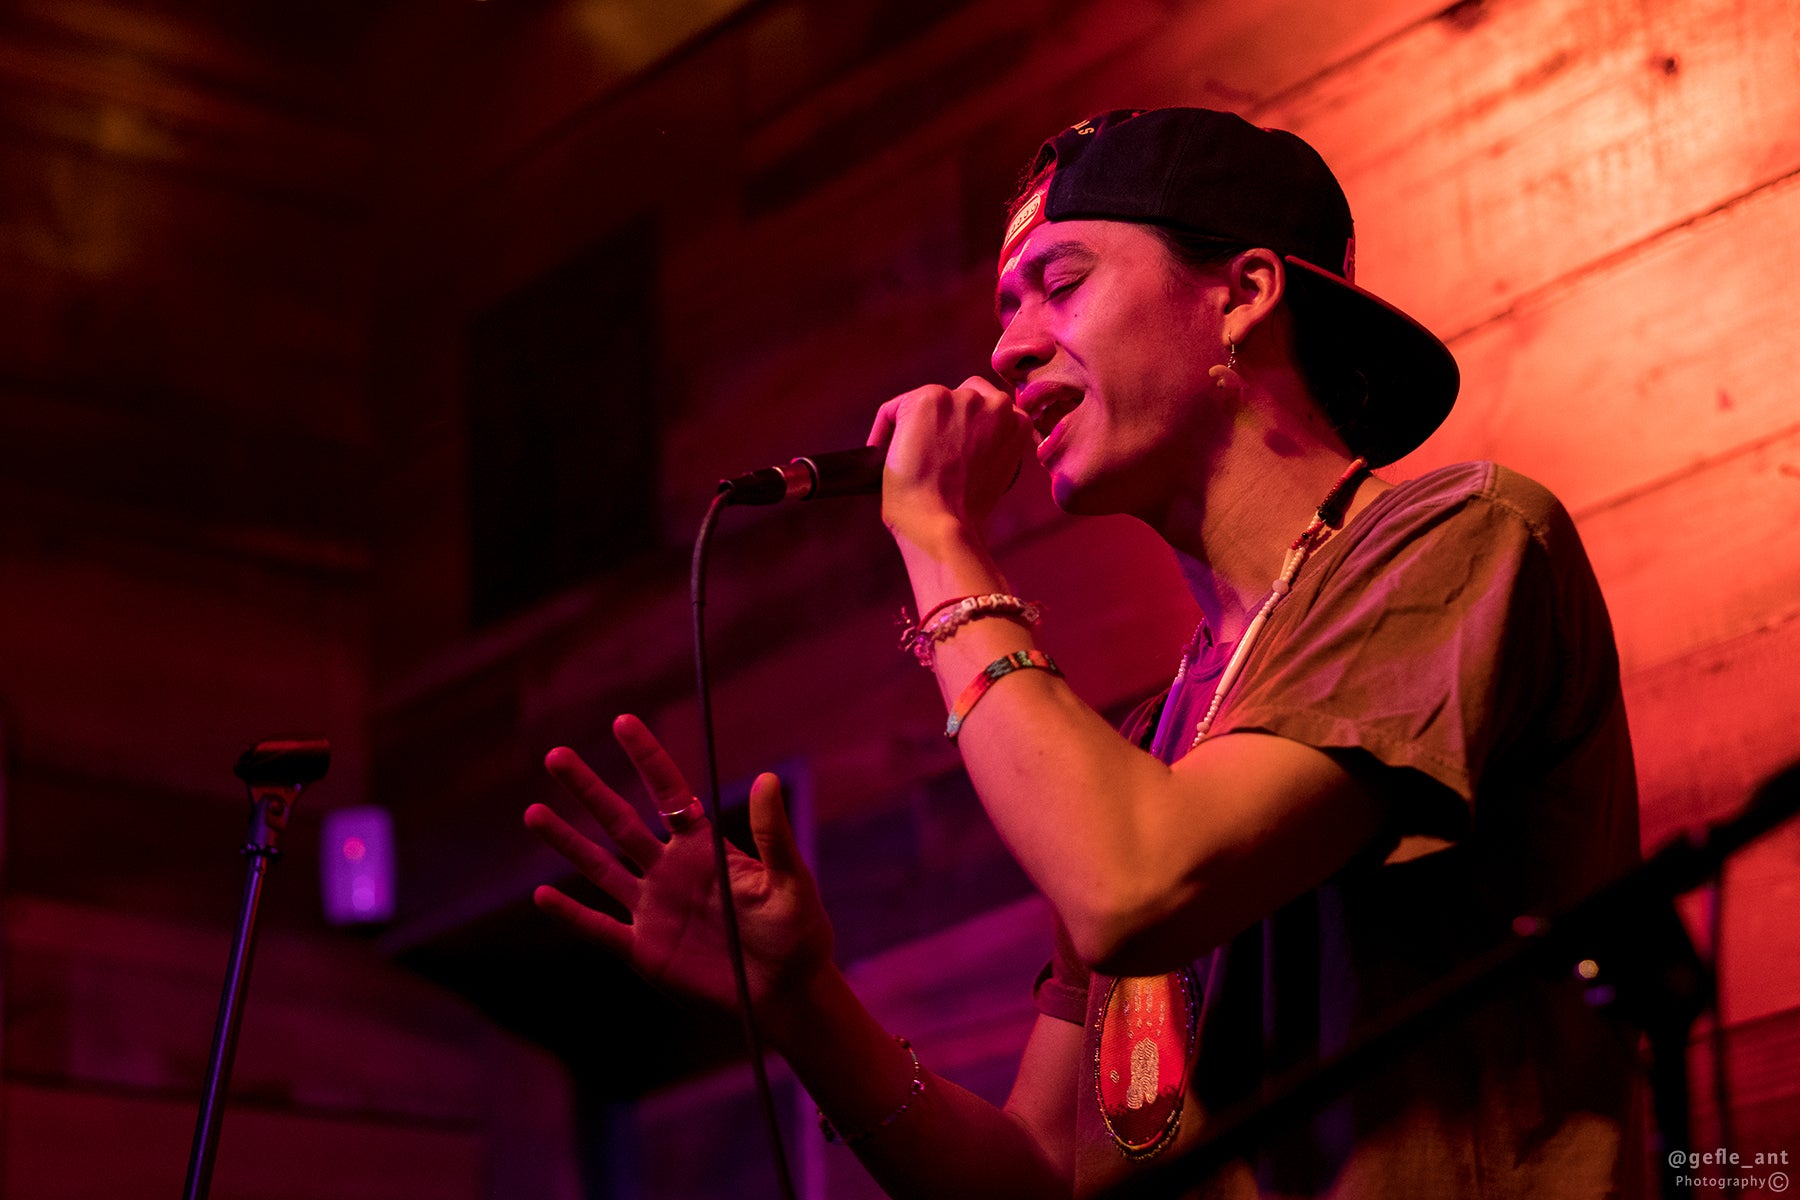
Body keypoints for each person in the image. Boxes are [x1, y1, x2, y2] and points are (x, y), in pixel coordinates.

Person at [524, 108, 1640, 1198]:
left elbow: (1137, 884)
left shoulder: (1462, 540)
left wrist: (938, 534)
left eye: (1060, 284)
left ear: (1243, 294)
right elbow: (1046, 1173)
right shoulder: (1148, 748)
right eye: (1005, 311)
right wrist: (808, 1004)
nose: (1007, 351)